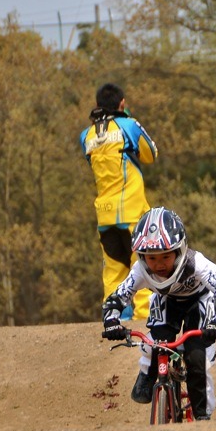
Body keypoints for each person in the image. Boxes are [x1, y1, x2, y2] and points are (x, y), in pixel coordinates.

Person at [101, 206, 216, 420]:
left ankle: (203, 416)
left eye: (166, 256)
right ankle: (148, 372)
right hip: (167, 301)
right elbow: (117, 298)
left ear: (179, 250)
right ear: (142, 256)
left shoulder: (197, 264)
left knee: (196, 357)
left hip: (199, 301)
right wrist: (111, 321)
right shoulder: (139, 271)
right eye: (152, 258)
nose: (159, 265)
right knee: (157, 342)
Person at [80, 82, 157, 320]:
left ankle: (114, 320)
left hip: (104, 213)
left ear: (96, 105)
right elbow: (150, 154)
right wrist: (128, 120)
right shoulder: (129, 126)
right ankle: (145, 321)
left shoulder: (86, 135)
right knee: (143, 266)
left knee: (114, 271)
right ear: (122, 103)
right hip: (132, 211)